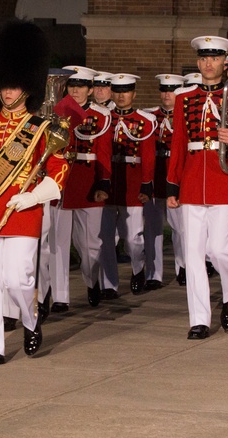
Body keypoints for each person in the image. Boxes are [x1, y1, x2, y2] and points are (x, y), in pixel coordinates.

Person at [0, 20, 69, 366]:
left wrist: (33, 197)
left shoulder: (41, 129)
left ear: (27, 87)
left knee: (19, 279)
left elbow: (59, 173)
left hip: (24, 210)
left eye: (14, 87)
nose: (8, 93)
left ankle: (30, 316)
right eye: (4, 87)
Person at [167, 36, 228, 339]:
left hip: (225, 177)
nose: (208, 63)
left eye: (215, 58)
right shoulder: (185, 98)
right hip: (193, 179)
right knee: (193, 253)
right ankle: (198, 319)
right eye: (203, 58)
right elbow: (179, 144)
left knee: (220, 251)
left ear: (225, 62)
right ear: (198, 63)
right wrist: (172, 186)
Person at [47, 65, 111, 310]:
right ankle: (61, 297)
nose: (75, 90)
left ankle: (92, 279)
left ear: (91, 89)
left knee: (90, 243)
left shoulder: (101, 116)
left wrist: (103, 181)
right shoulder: (56, 111)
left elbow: (104, 152)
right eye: (72, 85)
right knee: (58, 242)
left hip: (88, 181)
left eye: (81, 86)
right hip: (62, 181)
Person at [99, 73, 157, 297]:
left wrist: (146, 184)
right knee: (105, 237)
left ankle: (137, 269)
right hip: (109, 180)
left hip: (133, 180)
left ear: (133, 93)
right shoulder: (104, 118)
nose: (121, 96)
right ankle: (109, 284)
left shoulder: (145, 120)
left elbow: (148, 155)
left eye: (126, 91)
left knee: (133, 237)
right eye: (117, 91)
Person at [143, 74, 185, 289]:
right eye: (164, 90)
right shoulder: (151, 116)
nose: (167, 94)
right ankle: (153, 274)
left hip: (175, 176)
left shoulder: (187, 116)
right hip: (155, 174)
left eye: (172, 90)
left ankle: (183, 268)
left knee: (181, 228)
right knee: (152, 228)